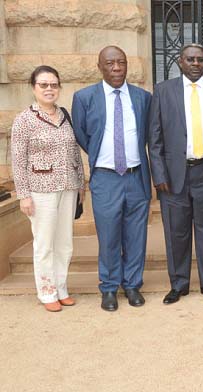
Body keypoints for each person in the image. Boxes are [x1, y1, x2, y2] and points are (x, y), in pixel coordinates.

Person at [148, 43, 203, 304]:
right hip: (174, 175)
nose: (195, 64)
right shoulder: (163, 91)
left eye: (200, 60)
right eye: (190, 60)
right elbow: (155, 137)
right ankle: (179, 284)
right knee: (177, 232)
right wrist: (159, 174)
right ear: (180, 62)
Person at [72, 46, 152, 312]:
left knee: (136, 236)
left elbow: (148, 135)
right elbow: (82, 135)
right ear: (100, 67)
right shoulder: (84, 98)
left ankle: (132, 285)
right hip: (106, 178)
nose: (116, 68)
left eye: (121, 63)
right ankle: (108, 287)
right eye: (110, 63)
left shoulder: (143, 97)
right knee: (108, 236)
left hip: (136, 176)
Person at [11, 66, 85, 312]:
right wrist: (23, 195)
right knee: (44, 243)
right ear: (33, 87)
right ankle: (46, 291)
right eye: (44, 84)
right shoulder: (24, 120)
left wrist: (81, 183)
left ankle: (61, 288)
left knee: (65, 243)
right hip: (40, 190)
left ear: (59, 87)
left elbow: (75, 151)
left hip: (68, 187)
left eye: (53, 84)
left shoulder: (65, 115)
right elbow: (18, 161)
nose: (49, 89)